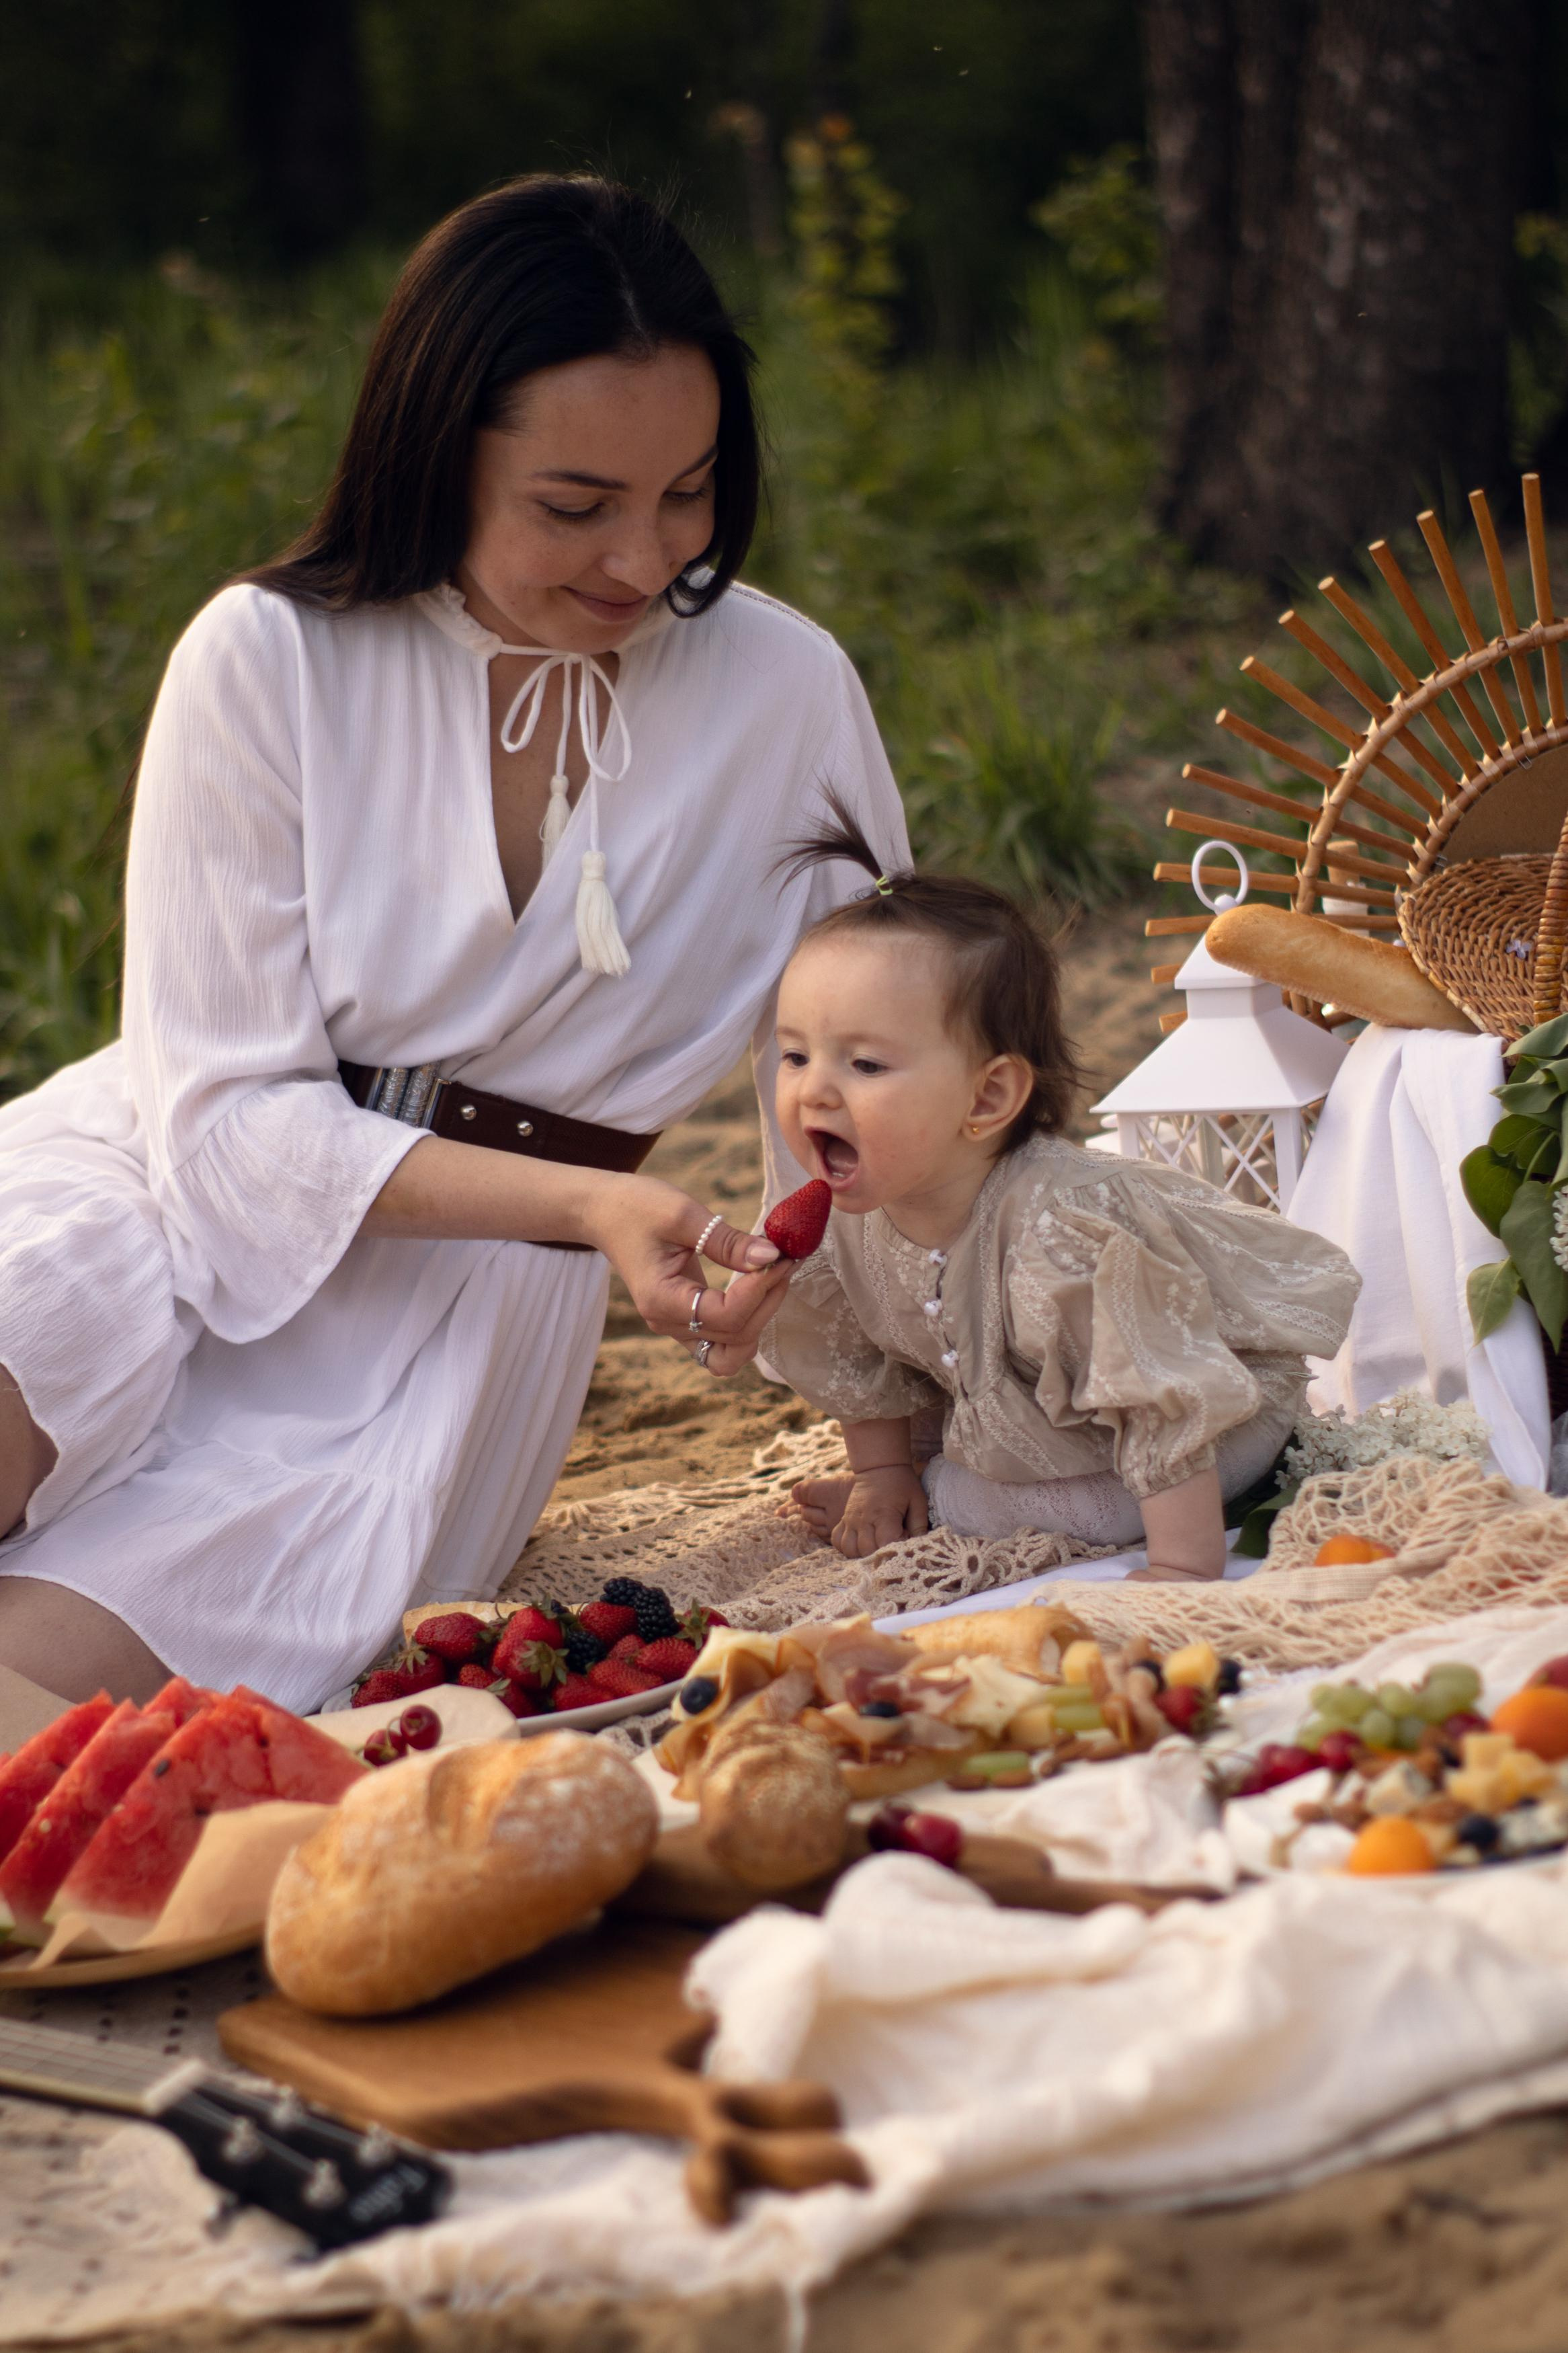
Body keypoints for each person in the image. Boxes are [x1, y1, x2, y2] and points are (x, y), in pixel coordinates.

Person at [0, 177, 907, 1711]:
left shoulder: (784, 693)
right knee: (47, 1298)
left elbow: (881, 1071)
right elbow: (219, 1139)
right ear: (434, 451)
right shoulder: (268, 656)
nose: (640, 558)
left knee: (41, 1729)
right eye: (574, 506)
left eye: (685, 491)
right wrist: (590, 1208)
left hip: (438, 1343)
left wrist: (878, 1426)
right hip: (146, 1185)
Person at [762, 808, 1361, 1581]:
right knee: (971, 1455)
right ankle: (918, 1485)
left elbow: (1160, 1395)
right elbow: (861, 1354)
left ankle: (943, 1494)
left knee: (1084, 1506)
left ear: (986, 1098)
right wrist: (881, 1472)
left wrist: (1182, 1566)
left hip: (1212, 1411)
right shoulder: (854, 1216)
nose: (814, 1090)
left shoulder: (1058, 1231)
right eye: (794, 1054)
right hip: (1037, 1414)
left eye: (865, 1066)